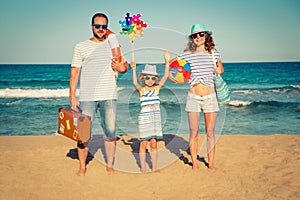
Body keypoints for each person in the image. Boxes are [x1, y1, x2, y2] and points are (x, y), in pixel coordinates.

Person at [69, 13, 128, 176]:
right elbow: (74, 73)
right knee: (83, 134)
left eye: (104, 26)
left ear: (107, 28)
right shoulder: (80, 47)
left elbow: (125, 66)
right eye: (97, 26)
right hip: (87, 97)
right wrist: (72, 96)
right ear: (91, 26)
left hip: (109, 95)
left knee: (110, 132)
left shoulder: (113, 45)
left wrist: (123, 68)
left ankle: (110, 165)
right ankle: (82, 167)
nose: (101, 29)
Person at [169, 24, 224, 171]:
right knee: (194, 132)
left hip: (210, 97)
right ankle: (194, 163)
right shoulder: (187, 54)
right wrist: (172, 74)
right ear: (191, 38)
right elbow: (173, 67)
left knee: (210, 132)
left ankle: (211, 163)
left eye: (201, 34)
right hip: (193, 97)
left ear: (206, 35)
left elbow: (221, 69)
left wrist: (218, 70)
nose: (198, 37)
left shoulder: (214, 53)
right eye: (195, 35)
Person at [130, 50, 170, 173]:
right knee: (143, 144)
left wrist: (167, 62)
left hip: (155, 120)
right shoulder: (141, 90)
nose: (150, 80)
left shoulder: (157, 89)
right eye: (147, 78)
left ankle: (154, 167)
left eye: (153, 78)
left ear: (155, 79)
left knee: (154, 144)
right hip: (144, 120)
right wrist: (133, 69)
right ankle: (143, 167)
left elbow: (166, 76)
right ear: (143, 78)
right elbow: (134, 82)